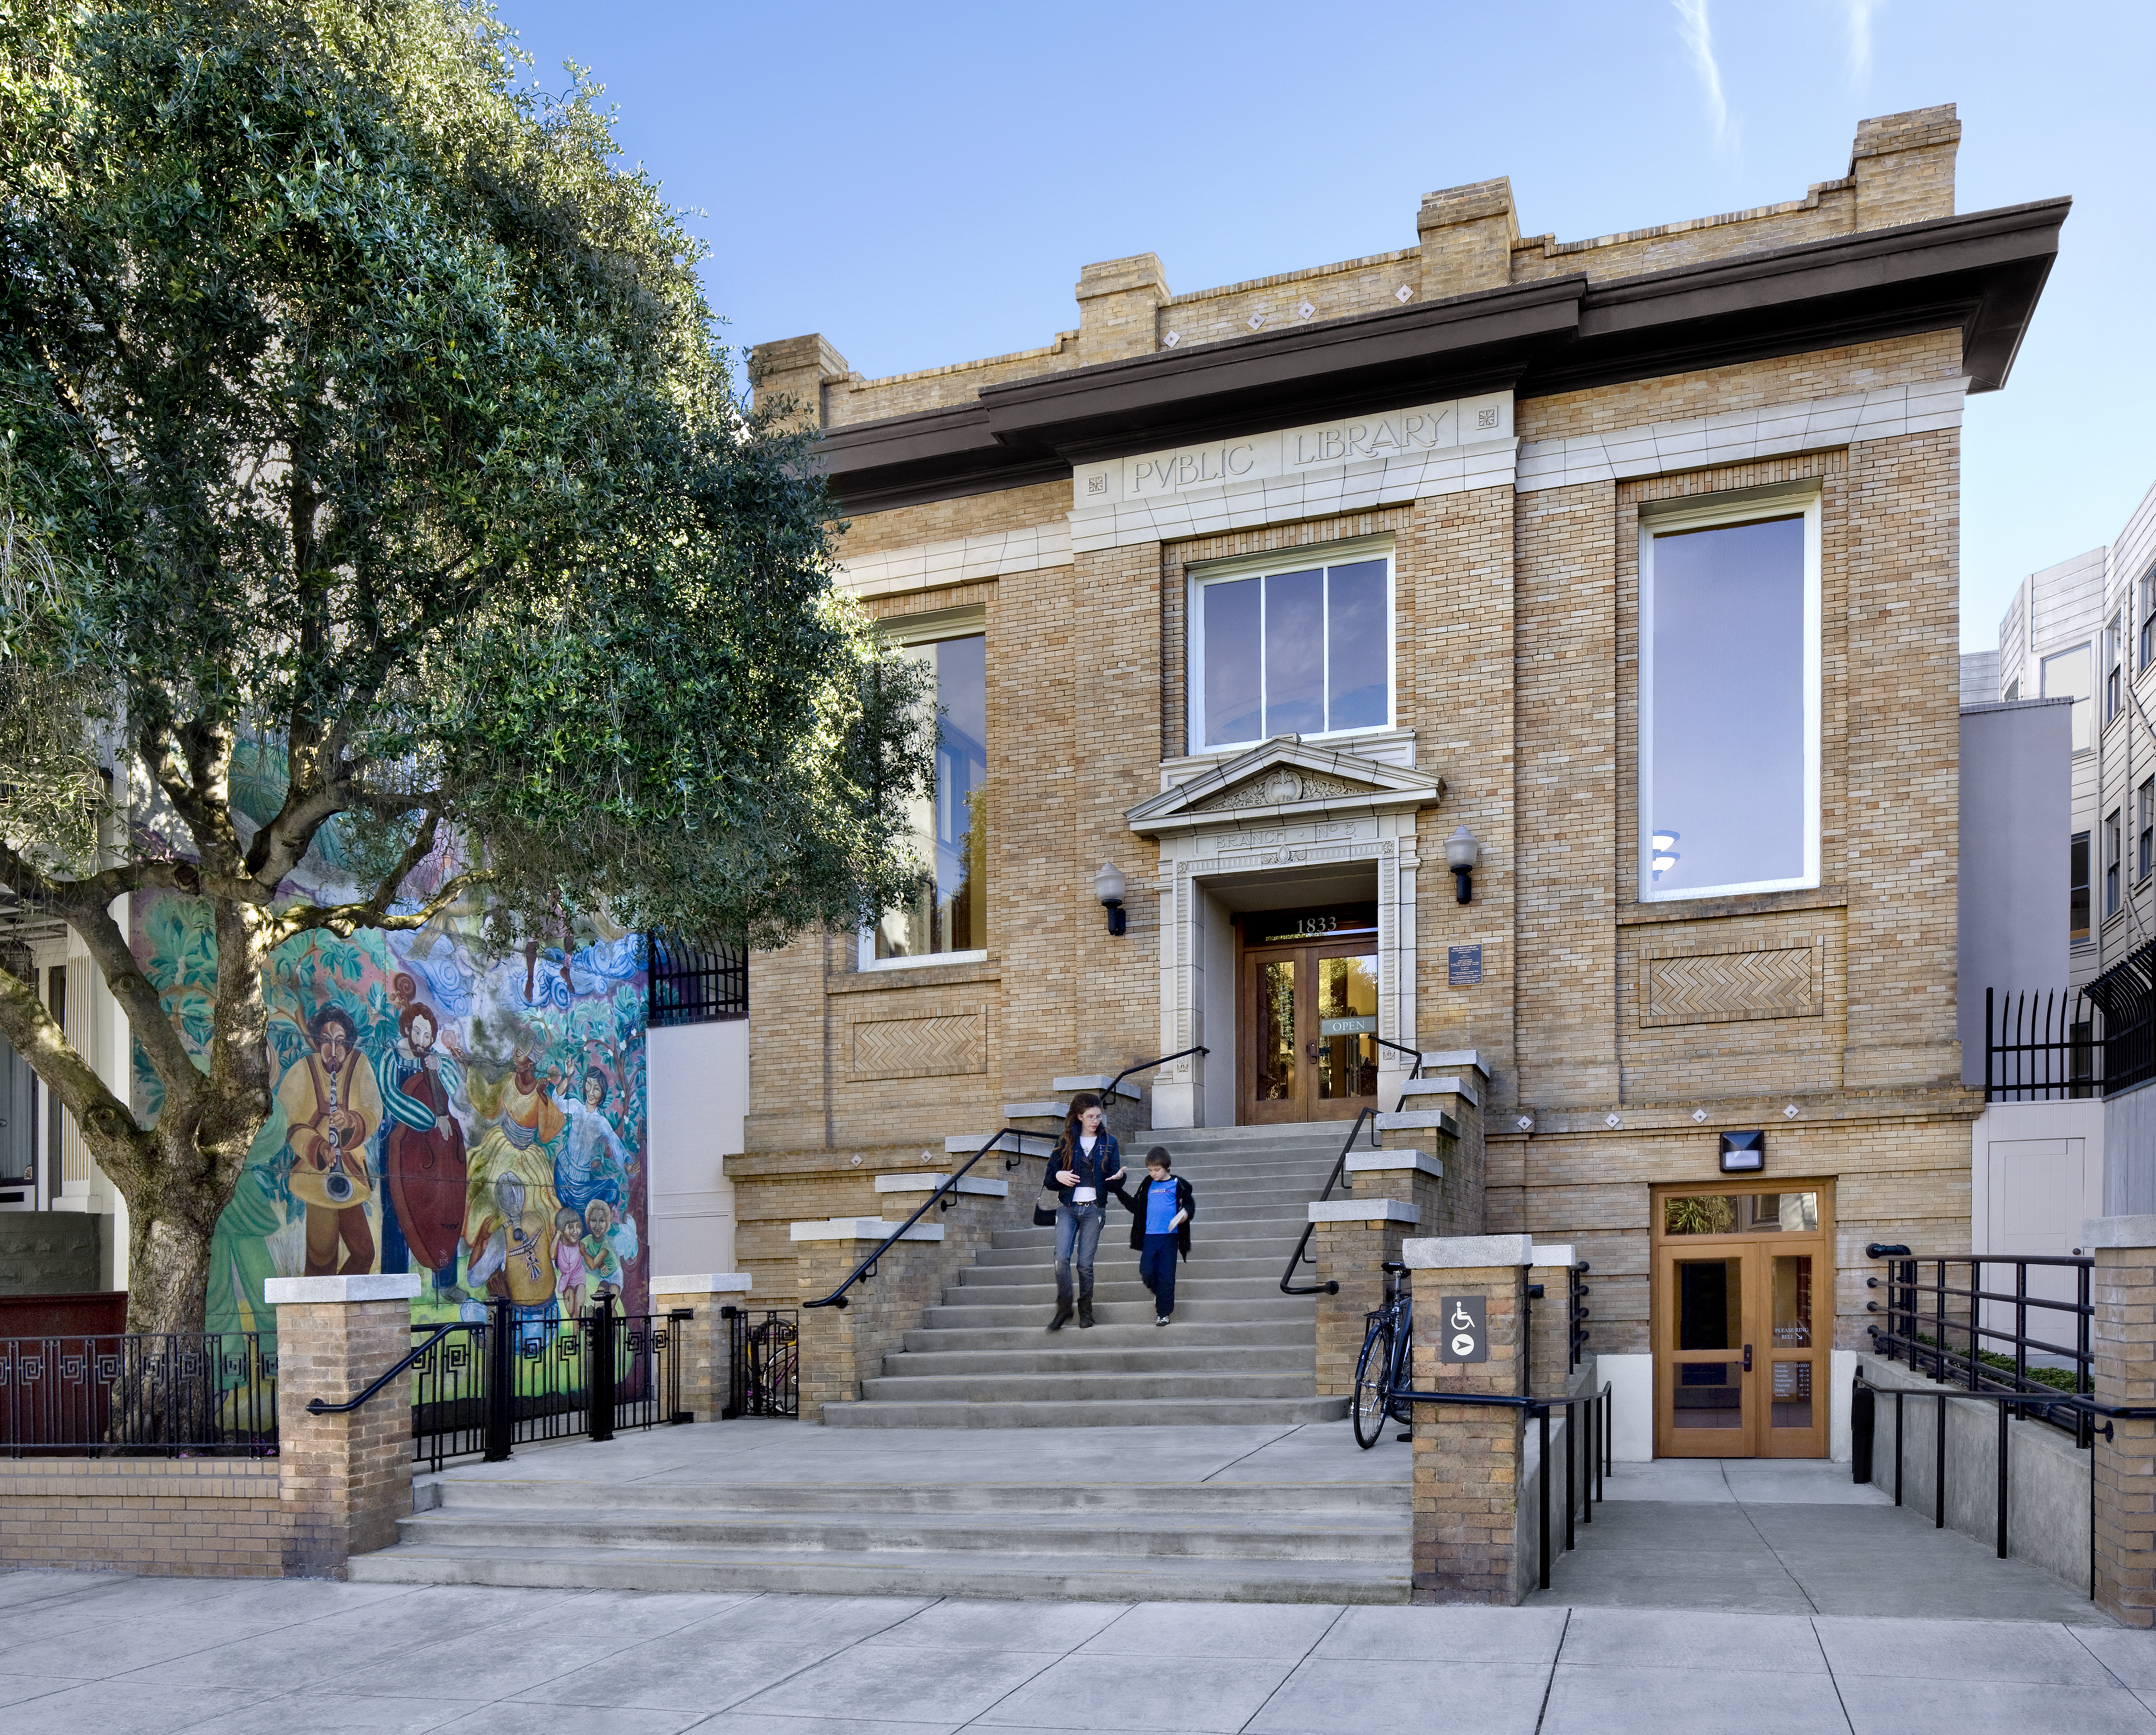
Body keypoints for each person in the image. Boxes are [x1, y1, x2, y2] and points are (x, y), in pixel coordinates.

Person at [278, 1006, 384, 1276]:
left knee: (364, 1254)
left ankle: (339, 1306)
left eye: (340, 1042)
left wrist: (351, 1120)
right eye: (326, 1041)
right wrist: (319, 1147)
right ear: (317, 1042)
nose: (333, 1050)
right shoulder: (304, 1069)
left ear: (348, 1044)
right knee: (322, 1258)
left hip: (350, 1173)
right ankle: (318, 1314)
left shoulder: (360, 1064)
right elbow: (289, 1123)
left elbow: (374, 1110)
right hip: (316, 1175)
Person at [1044, 1092, 1122, 1331]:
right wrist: (1059, 1175)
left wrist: (1119, 1178)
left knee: (1085, 1265)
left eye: (1099, 1116)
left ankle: (1086, 1311)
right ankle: (1064, 1308)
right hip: (1067, 1208)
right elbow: (1050, 1177)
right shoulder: (1065, 1142)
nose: (1096, 1121)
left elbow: (1114, 1179)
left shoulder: (1110, 1143)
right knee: (1061, 1259)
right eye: (1090, 1116)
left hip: (1094, 1210)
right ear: (1079, 1117)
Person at [1115, 1146, 1194, 1326]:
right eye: (1150, 1170)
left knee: (1167, 1276)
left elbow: (1189, 1204)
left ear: (1167, 1167)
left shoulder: (1178, 1183)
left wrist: (1185, 1213)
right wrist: (1118, 1190)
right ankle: (1160, 1294)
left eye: (1157, 1170)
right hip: (1150, 1237)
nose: (1154, 1174)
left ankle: (1163, 1314)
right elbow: (1135, 1206)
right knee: (1147, 1272)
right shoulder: (1147, 1184)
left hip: (1170, 1238)